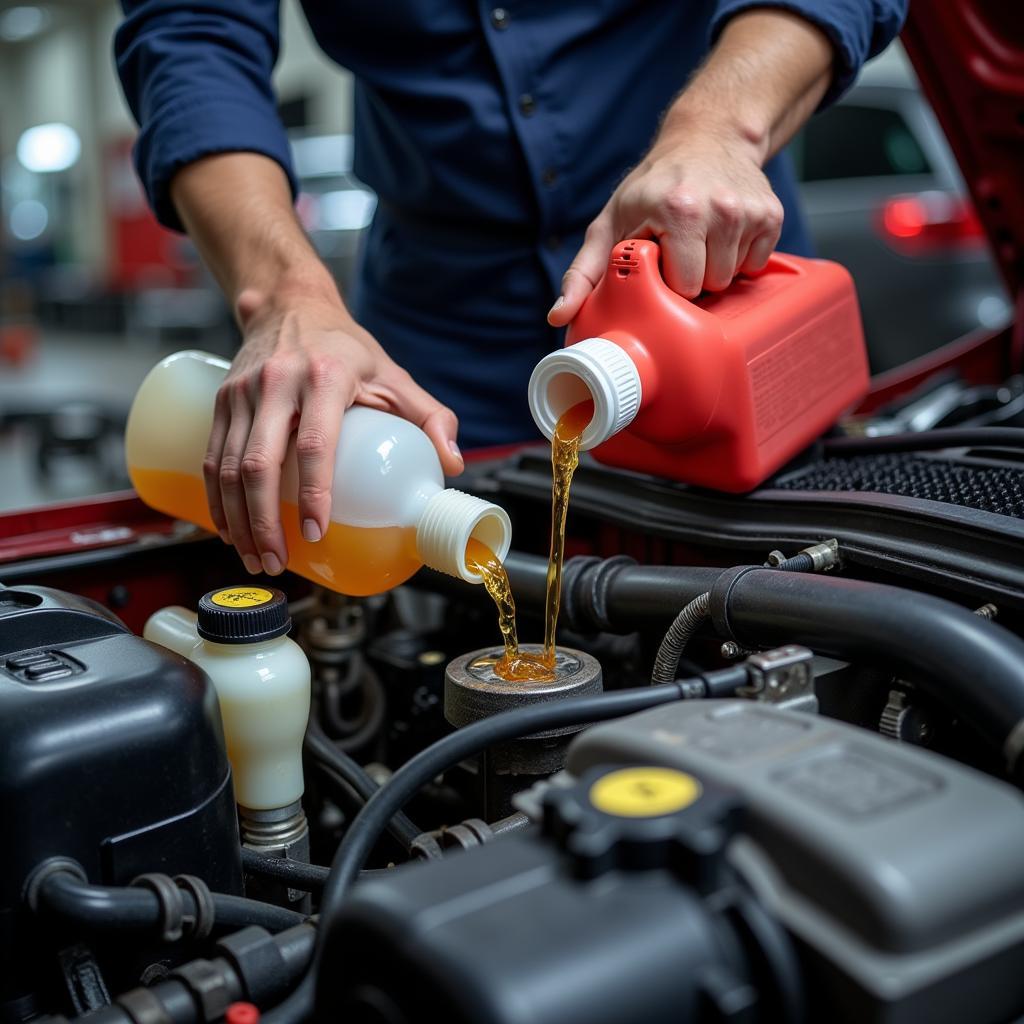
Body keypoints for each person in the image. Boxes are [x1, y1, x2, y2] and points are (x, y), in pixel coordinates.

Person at [116, 1, 905, 578]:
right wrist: (284, 294)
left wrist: (720, 128)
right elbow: (192, 33)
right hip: (430, 362)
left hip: (713, 283)